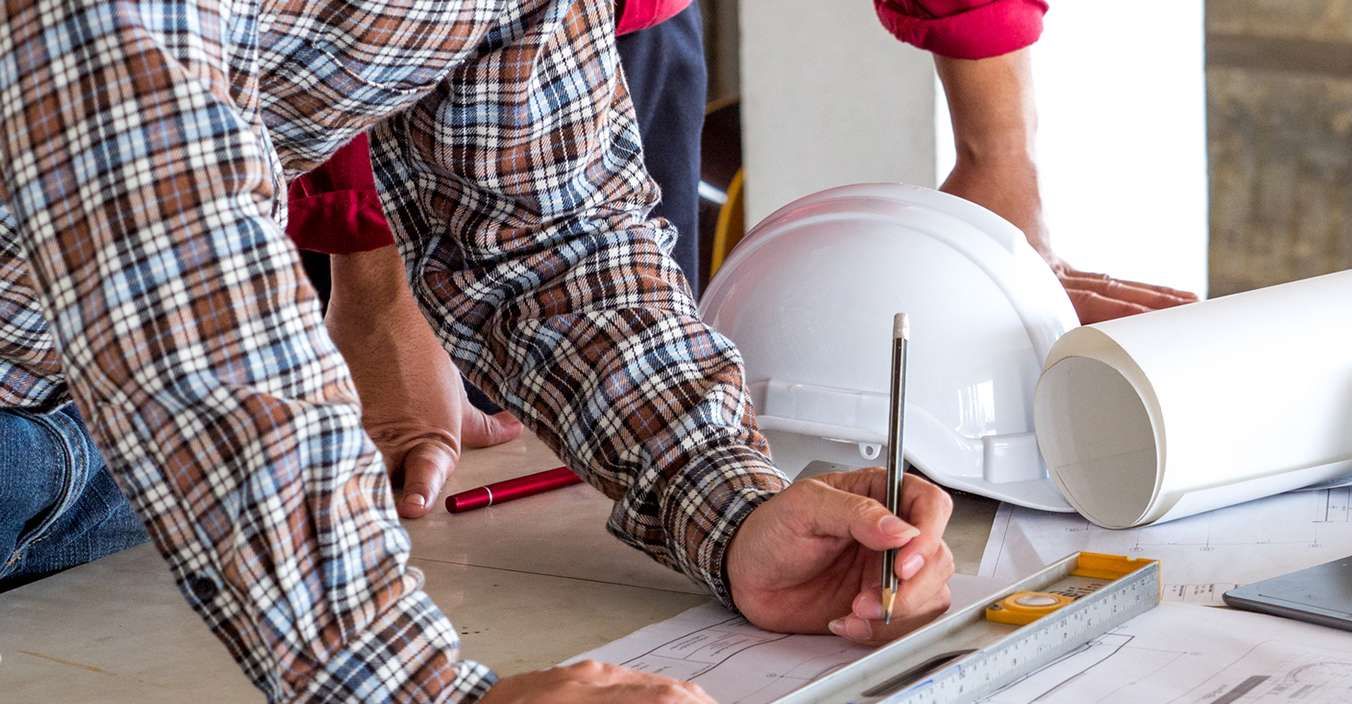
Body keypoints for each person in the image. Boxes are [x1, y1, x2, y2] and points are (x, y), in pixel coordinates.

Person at [0, 0, 958, 704]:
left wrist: (726, 501)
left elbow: (547, 235)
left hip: (100, 443)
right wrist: (404, 701)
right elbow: (161, 247)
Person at [299, 0, 1199, 516]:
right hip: (322, 99)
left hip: (613, 35)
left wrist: (1000, 152)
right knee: (409, 481)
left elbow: (569, 278)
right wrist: (372, 277)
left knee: (602, 433)